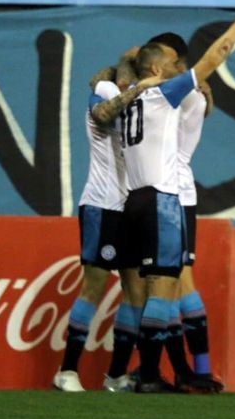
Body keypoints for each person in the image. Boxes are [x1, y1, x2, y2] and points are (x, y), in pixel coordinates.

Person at [117, 0, 235, 393]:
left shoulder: (128, 97)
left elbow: (130, 63)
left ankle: (167, 370)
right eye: (169, 64)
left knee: (155, 287)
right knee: (167, 288)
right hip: (167, 197)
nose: (176, 70)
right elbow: (215, 57)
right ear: (157, 69)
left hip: (132, 198)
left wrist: (143, 69)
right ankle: (157, 373)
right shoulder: (170, 94)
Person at [52, 63, 163, 392]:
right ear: (126, 76)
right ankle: (67, 371)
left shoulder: (139, 102)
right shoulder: (106, 91)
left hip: (131, 207)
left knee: (136, 291)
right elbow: (102, 114)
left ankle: (115, 376)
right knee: (95, 287)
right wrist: (138, 87)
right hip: (103, 205)